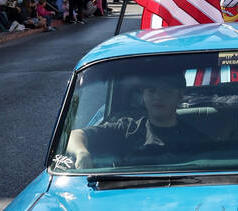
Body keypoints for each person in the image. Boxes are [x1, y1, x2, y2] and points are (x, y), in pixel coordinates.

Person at [67, 72, 204, 167]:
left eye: (166, 91)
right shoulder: (126, 129)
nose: (158, 97)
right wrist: (82, 153)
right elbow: (73, 135)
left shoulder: (196, 139)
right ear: (143, 95)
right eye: (151, 91)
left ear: (180, 96)